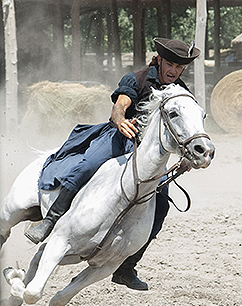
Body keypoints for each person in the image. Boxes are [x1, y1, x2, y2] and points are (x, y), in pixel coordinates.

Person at [25, 38, 200, 290]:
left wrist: (187, 156)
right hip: (118, 138)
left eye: (179, 67)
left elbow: (185, 128)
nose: (174, 71)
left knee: (161, 206)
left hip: (147, 156)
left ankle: (126, 268)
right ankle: (49, 221)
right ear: (159, 60)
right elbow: (119, 108)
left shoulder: (180, 93)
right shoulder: (136, 79)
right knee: (86, 167)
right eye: (170, 64)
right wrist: (120, 121)